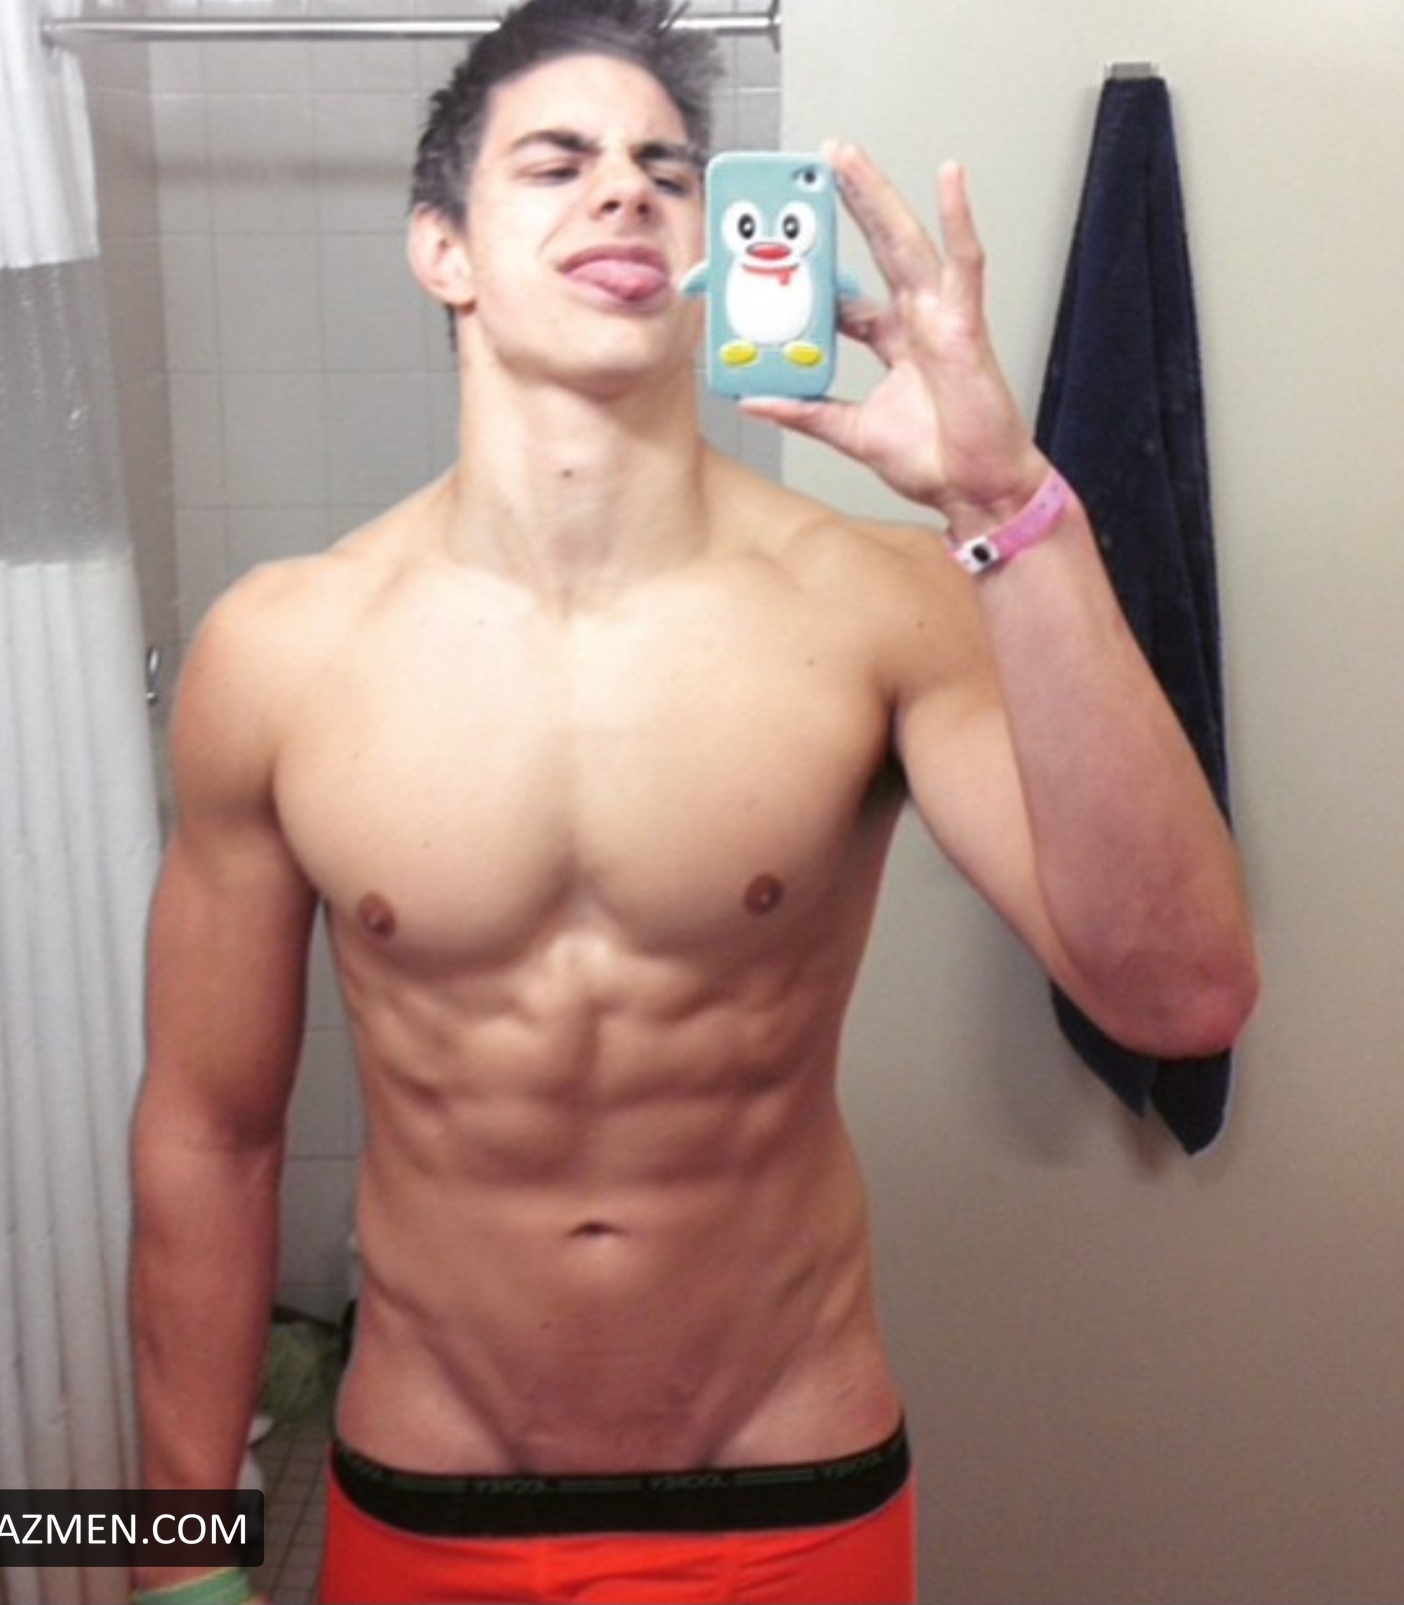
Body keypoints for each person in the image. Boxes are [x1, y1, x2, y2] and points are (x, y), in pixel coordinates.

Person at [128, 2, 1259, 1602]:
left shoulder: (883, 600)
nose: (625, 191)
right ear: (442, 250)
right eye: (556, 163)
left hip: (794, 1494)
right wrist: (173, 1560)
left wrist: (1009, 505)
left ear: (718, 247)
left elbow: (1179, 992)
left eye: (668, 171)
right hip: (427, 1502)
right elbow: (208, 1131)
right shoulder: (280, 652)